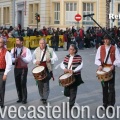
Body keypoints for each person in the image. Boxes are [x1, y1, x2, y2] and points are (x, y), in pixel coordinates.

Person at [95, 35, 120, 113]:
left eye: (107, 40)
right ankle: (104, 103)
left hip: (111, 69)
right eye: (104, 39)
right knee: (104, 87)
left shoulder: (114, 48)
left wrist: (113, 65)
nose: (105, 41)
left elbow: (118, 59)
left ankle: (111, 105)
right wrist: (99, 65)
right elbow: (97, 58)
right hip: (103, 69)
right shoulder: (100, 48)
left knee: (111, 88)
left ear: (110, 40)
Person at [32, 38, 58, 105]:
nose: (42, 45)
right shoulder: (36, 50)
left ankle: (45, 98)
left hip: (47, 68)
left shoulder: (50, 50)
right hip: (39, 69)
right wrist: (35, 61)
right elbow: (32, 58)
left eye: (43, 43)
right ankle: (42, 96)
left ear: (45, 43)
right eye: (41, 43)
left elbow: (56, 58)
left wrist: (51, 60)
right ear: (39, 44)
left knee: (46, 84)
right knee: (40, 84)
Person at [60, 44, 84, 109]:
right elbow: (62, 64)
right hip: (67, 75)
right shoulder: (66, 56)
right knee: (66, 92)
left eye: (71, 49)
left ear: (74, 50)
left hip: (75, 76)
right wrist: (64, 69)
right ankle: (70, 97)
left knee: (73, 89)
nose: (69, 50)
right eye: (69, 49)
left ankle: (71, 104)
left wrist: (74, 71)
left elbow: (80, 66)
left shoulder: (79, 57)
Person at [11, 37, 32, 104]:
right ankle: (20, 97)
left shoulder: (27, 50)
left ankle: (24, 98)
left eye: (17, 40)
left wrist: (22, 58)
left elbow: (29, 59)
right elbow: (10, 58)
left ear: (22, 42)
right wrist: (15, 59)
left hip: (23, 68)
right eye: (16, 40)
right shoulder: (13, 50)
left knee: (23, 83)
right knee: (17, 83)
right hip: (16, 68)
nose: (16, 42)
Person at [0, 37, 12, 108]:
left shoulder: (6, 52)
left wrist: (5, 73)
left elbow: (9, 63)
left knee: (1, 87)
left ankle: (2, 102)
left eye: (1, 42)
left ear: (4, 43)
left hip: (2, 71)